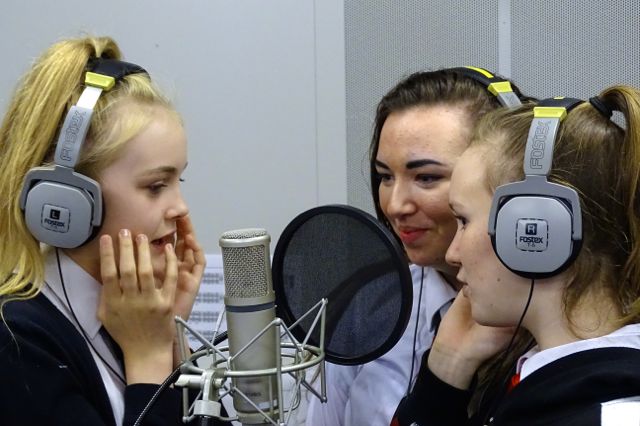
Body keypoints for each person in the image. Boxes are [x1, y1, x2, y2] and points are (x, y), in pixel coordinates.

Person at [0, 36, 217, 425]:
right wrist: (150, 361)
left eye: (178, 180)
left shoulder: (135, 318)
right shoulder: (15, 340)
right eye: (155, 186)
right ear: (69, 199)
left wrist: (171, 339)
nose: (180, 207)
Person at [399, 86, 640, 425]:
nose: (452, 254)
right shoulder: (546, 381)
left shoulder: (603, 413)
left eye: (464, 221)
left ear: (543, 229)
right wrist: (447, 366)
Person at [305, 67, 527, 426]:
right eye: (385, 177)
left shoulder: (556, 322)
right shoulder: (365, 309)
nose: (395, 205)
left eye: (426, 177)